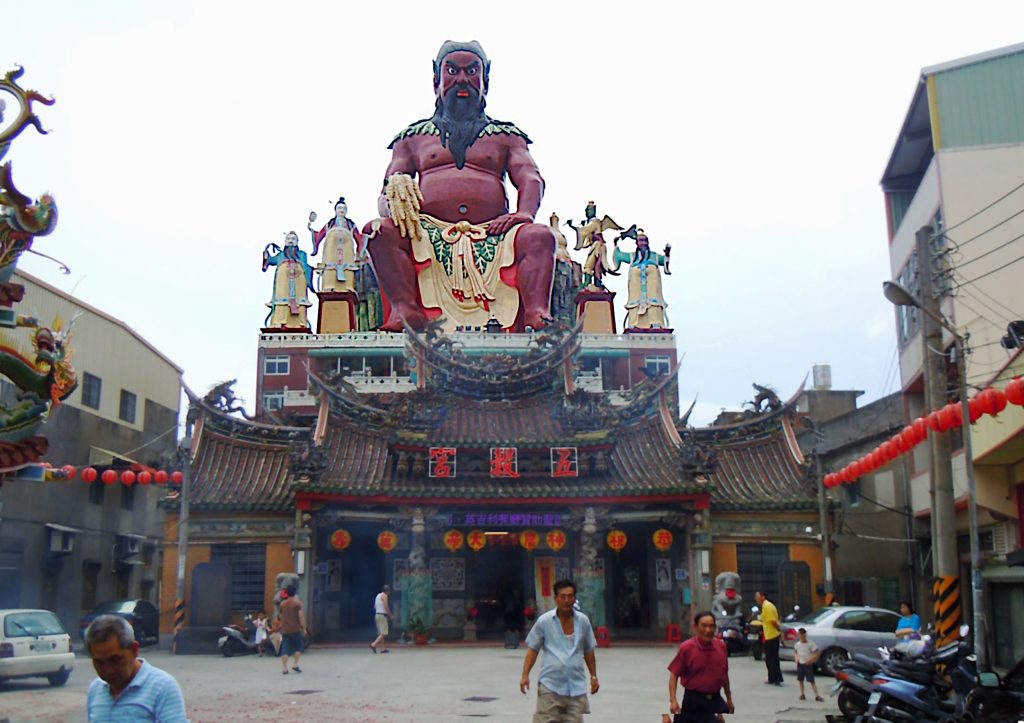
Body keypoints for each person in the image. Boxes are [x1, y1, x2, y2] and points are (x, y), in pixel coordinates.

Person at [364, 40, 557, 333]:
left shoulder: (507, 136)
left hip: (494, 230)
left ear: (485, 82)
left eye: (472, 71)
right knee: (379, 232)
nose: (463, 80)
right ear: (436, 82)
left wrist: (524, 214)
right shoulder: (412, 138)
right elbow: (390, 183)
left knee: (540, 236)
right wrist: (395, 192)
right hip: (427, 231)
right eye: (452, 71)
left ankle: (536, 312)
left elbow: (530, 176)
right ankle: (405, 311)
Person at [520, 579, 599, 722]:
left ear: (574, 598)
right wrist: (525, 675)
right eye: (563, 596)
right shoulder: (544, 621)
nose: (566, 600)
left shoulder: (583, 621)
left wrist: (594, 676)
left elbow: (589, 650)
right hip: (550, 687)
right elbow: (533, 649)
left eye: (570, 596)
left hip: (575, 688)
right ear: (555, 598)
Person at [85, 614, 188, 722]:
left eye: (115, 660)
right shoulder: (95, 689)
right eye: (99, 662)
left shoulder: (163, 688)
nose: (108, 670)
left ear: (134, 650)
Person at [666, 611, 734, 723]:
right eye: (704, 626)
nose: (708, 630)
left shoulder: (721, 647)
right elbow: (674, 674)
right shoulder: (687, 648)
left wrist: (728, 698)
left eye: (711, 626)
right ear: (695, 627)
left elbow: (724, 674)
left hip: (714, 700)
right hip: (693, 701)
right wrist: (673, 701)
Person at [611, 229, 671, 330]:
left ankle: (655, 322)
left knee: (653, 301)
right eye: (640, 240)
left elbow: (665, 260)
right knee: (635, 302)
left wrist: (667, 254)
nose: (643, 243)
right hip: (636, 288)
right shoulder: (632, 257)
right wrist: (615, 244)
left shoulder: (654, 256)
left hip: (652, 288)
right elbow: (619, 255)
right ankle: (634, 323)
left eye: (645, 240)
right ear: (637, 243)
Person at [263, 231, 314, 329]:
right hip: (283, 281)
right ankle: (279, 321)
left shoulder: (302, 254)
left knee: (299, 299)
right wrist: (266, 256)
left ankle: (300, 322)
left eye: (293, 239)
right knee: (282, 298)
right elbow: (270, 261)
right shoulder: (280, 255)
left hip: (298, 280)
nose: (291, 241)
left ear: (297, 241)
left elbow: (306, 267)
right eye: (288, 239)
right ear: (285, 241)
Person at [755, 591, 783, 685]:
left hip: (772, 635)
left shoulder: (767, 606)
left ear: (763, 597)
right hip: (768, 635)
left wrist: (778, 630)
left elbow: (773, 621)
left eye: (757, 596)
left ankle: (776, 679)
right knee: (769, 658)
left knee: (773, 658)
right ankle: (772, 677)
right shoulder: (764, 606)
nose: (756, 598)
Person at [278, 584, 306, 674]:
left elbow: (280, 616)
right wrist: (304, 628)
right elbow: (301, 616)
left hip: (285, 629)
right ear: (295, 592)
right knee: (298, 647)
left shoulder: (282, 604)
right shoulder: (298, 603)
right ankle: (295, 664)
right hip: (296, 629)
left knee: (285, 648)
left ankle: (285, 668)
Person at [792, 628, 824, 702]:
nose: (802, 636)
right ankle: (802, 694)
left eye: (803, 634)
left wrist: (811, 660)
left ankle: (817, 695)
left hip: (807, 664)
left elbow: (817, 652)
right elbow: (796, 652)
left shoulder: (810, 644)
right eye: (800, 634)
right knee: (800, 680)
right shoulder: (797, 644)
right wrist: (796, 658)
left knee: (811, 680)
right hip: (800, 663)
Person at [371, 584, 393, 654]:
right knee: (384, 633)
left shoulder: (378, 595)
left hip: (377, 615)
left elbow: (374, 606)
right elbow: (386, 606)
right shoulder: (384, 596)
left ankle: (383, 649)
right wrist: (390, 615)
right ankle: (373, 644)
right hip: (382, 615)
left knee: (380, 633)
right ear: (387, 591)